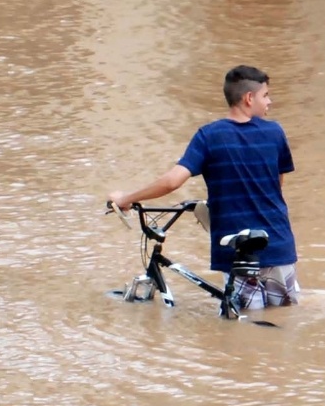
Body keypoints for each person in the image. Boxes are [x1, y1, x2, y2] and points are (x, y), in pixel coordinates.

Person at [107, 65, 301, 310]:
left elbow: (172, 182)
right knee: (283, 319)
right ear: (249, 98)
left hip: (238, 249)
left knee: (245, 325)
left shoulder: (209, 136)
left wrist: (126, 197)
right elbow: (276, 185)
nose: (269, 102)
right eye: (266, 95)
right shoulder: (275, 132)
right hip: (278, 241)